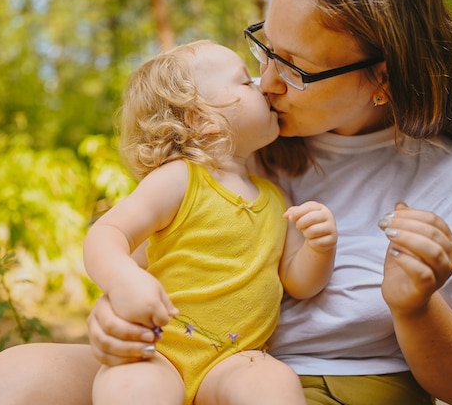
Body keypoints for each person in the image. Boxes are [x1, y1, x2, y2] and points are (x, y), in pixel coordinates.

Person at [0, 0, 452, 404]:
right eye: (264, 47)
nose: (265, 81)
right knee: (16, 377)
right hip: (178, 356)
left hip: (318, 383)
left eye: (293, 66)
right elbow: (147, 255)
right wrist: (113, 316)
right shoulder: (239, 136)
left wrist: (417, 308)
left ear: (382, 78)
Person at [83, 39, 337, 405]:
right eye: (245, 82)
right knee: (127, 387)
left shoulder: (275, 197)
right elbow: (107, 233)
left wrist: (320, 246)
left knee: (274, 383)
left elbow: (298, 282)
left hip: (236, 360)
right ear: (202, 120)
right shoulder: (180, 179)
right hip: (157, 351)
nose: (261, 85)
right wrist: (124, 279)